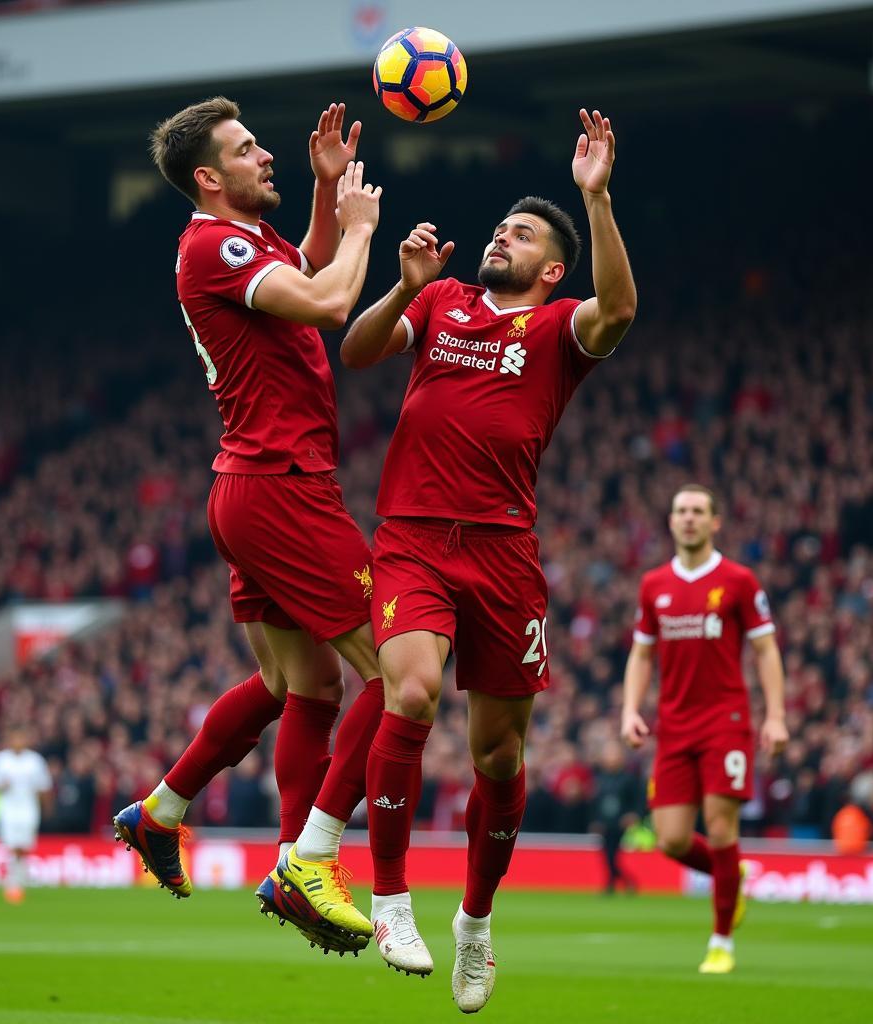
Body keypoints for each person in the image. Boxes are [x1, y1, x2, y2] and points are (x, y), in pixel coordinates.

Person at [270, 108, 635, 1011]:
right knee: (411, 692)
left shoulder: (557, 330)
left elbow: (620, 308)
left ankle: (476, 924)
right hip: (413, 541)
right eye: (501, 228)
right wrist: (401, 286)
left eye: (521, 236)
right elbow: (353, 350)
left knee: (500, 758)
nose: (501, 238)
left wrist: (595, 198)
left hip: (507, 555)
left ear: (552, 268)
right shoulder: (440, 304)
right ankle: (390, 895)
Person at [113, 96, 385, 953]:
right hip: (282, 487)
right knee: (402, 664)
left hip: (250, 485)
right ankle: (312, 859)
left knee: (301, 687)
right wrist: (362, 225)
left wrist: (323, 187)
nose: (265, 154)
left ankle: (162, 810)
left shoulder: (245, 244)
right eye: (247, 148)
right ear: (208, 177)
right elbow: (330, 300)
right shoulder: (213, 243)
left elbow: (299, 264)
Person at [621, 484, 789, 974]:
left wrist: (775, 716)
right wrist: (631, 709)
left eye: (698, 511)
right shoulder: (654, 584)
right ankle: (728, 876)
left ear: (715, 522)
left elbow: (765, 649)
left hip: (726, 722)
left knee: (719, 826)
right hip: (673, 727)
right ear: (670, 521)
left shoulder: (738, 580)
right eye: (680, 511)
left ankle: (721, 943)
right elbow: (641, 653)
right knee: (670, 838)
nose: (688, 518)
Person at [0, 727, 52, 903]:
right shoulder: (0, 760)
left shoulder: (35, 760)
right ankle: (14, 881)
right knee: (11, 844)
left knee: (24, 845)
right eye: (15, 738)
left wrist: (46, 807)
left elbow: (44, 786)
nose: (18, 742)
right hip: (8, 807)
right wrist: (2, 785)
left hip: (28, 807)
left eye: (21, 738)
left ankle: (19, 878)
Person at [589, 740, 643, 894]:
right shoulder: (599, 778)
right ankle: (617, 882)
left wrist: (634, 815)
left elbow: (637, 800)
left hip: (620, 823)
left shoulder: (629, 778)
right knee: (607, 855)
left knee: (612, 854)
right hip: (605, 823)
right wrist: (595, 820)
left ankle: (615, 882)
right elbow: (595, 802)